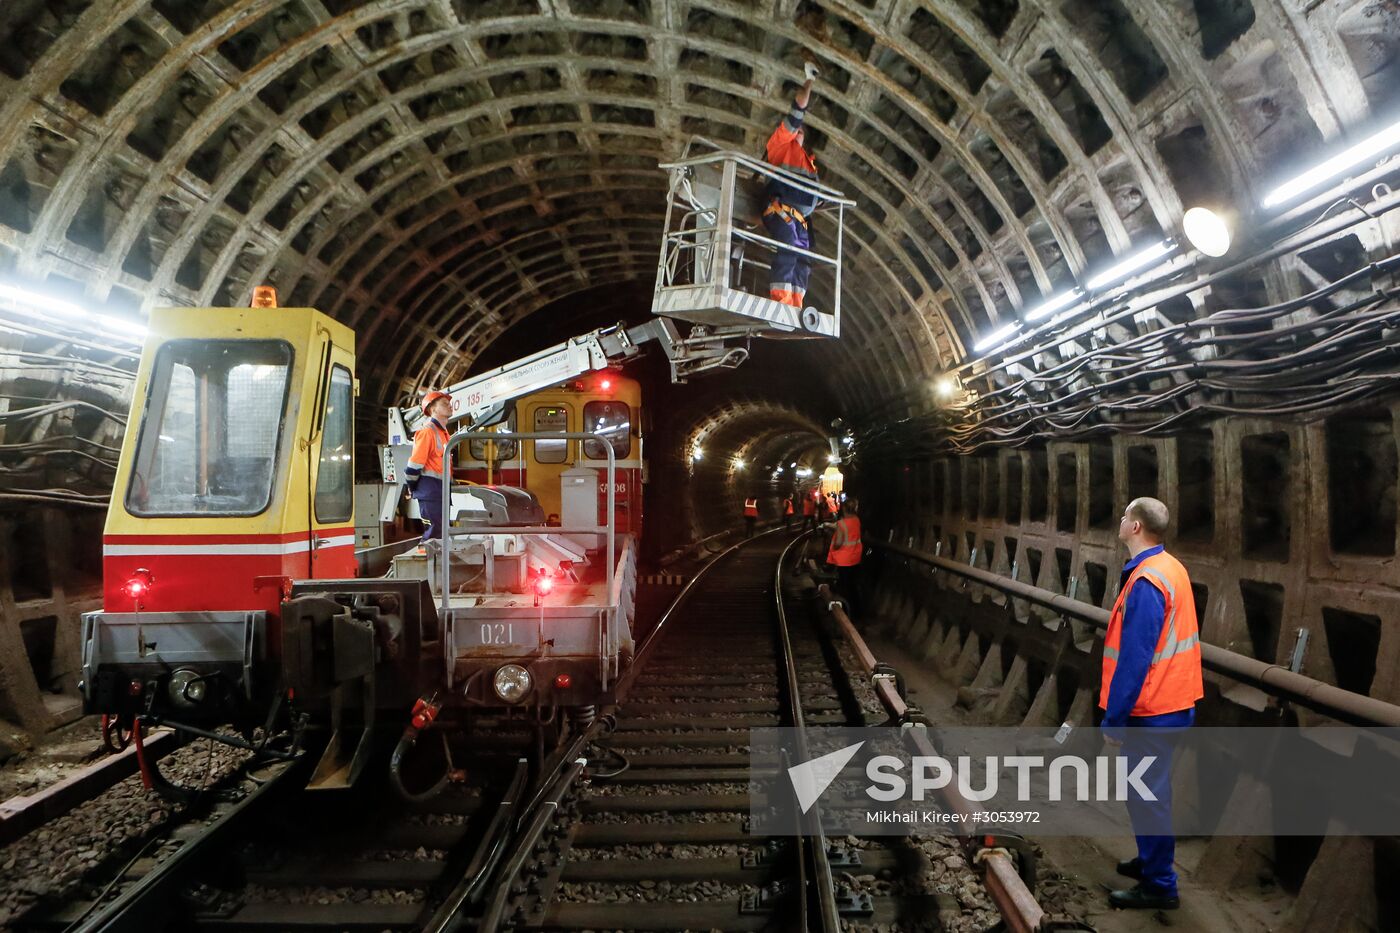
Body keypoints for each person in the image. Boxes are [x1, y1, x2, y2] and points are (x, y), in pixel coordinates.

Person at [1100, 497, 1203, 911]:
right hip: (1173, 701)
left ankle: (1161, 884)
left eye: (1125, 515)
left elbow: (1135, 658)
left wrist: (1113, 721)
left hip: (1153, 710)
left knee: (1147, 796)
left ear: (1137, 527)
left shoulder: (1147, 583)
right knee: (1145, 792)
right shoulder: (1170, 567)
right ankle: (1149, 861)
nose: (1120, 520)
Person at [763, 63, 822, 310]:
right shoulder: (780, 145)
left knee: (804, 258)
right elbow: (797, 111)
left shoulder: (809, 163)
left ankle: (796, 304)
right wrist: (809, 81)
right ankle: (780, 301)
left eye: (800, 132)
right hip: (780, 209)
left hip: (799, 218)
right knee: (788, 245)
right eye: (796, 130)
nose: (798, 131)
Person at [404, 391, 453, 541]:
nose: (449, 406)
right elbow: (414, 466)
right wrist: (412, 487)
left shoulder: (444, 434)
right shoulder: (427, 432)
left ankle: (438, 563)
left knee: (441, 534)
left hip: (440, 492)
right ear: (432, 409)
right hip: (430, 491)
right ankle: (426, 562)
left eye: (449, 403)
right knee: (434, 533)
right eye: (444, 403)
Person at [826, 496, 862, 617]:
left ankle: (846, 612)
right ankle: (857, 610)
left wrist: (834, 547)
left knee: (844, 585)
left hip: (844, 559)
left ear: (844, 509)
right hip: (855, 557)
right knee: (853, 584)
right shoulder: (857, 520)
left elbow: (838, 543)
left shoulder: (842, 524)